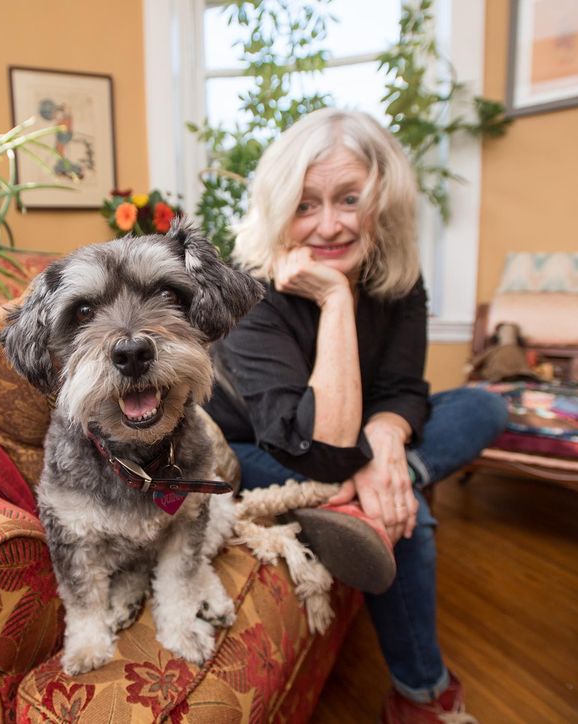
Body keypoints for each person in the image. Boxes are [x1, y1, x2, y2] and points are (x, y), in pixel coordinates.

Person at [204, 108, 508, 723]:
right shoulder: (248, 291)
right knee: (407, 519)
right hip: (258, 448)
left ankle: (375, 489)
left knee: (483, 404)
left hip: (350, 435)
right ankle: (422, 699)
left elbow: (402, 387)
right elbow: (309, 446)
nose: (330, 224)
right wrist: (335, 299)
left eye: (349, 199)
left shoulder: (398, 274)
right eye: (306, 203)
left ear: (381, 201)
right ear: (279, 207)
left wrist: (387, 443)